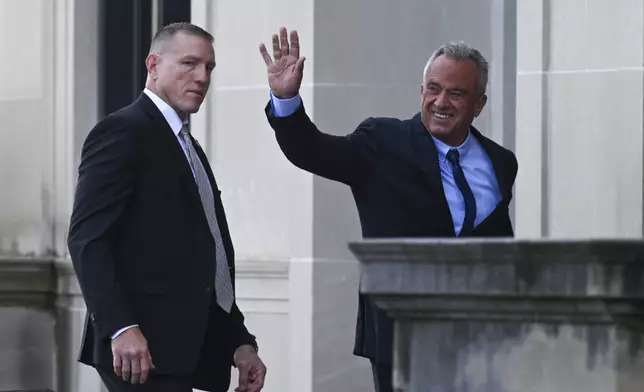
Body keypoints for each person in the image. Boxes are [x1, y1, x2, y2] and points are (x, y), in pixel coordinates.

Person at [259, 27, 518, 392]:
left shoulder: (501, 162)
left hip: (480, 335)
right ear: (422, 90)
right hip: (402, 333)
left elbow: (500, 246)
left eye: (456, 94)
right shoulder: (383, 141)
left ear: (479, 104)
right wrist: (286, 101)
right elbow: (313, 150)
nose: (441, 101)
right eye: (433, 88)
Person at [68, 22, 266, 392]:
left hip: (190, 352)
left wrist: (239, 342)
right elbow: (87, 240)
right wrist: (120, 327)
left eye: (209, 68)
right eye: (189, 63)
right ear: (152, 64)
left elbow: (209, 259)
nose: (202, 77)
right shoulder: (122, 131)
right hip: (139, 354)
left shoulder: (188, 146)